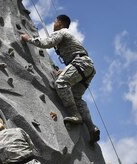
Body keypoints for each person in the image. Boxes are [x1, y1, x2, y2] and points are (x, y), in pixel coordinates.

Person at [21, 15, 100, 144]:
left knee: (61, 83)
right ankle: (92, 128)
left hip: (80, 63)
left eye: (55, 21)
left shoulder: (62, 32)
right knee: (76, 98)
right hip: (87, 67)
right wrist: (66, 70)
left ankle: (76, 115)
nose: (54, 23)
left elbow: (47, 43)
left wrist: (28, 39)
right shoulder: (68, 35)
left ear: (60, 23)